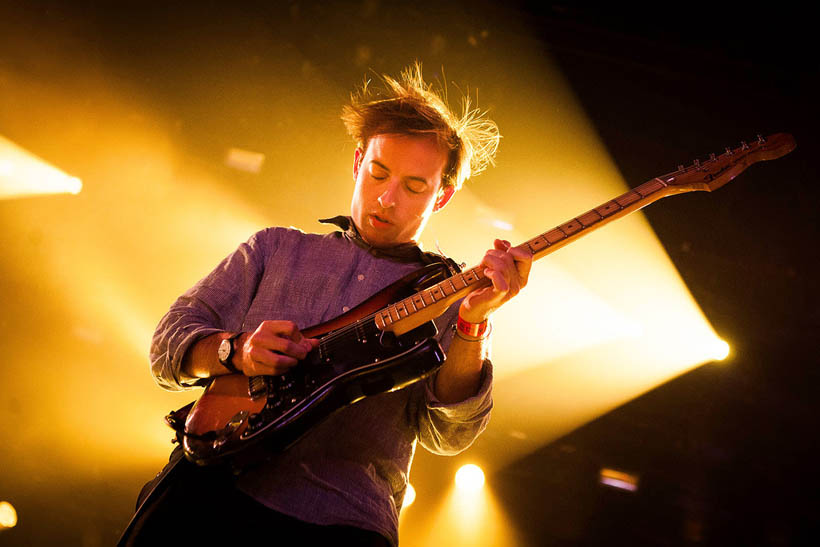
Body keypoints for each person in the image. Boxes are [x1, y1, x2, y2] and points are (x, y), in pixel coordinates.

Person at [122, 64, 531, 546]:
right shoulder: (275, 248)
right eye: (378, 172)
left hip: (341, 523)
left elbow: (450, 435)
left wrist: (472, 324)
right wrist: (235, 351)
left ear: (442, 195)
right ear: (358, 162)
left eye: (414, 187)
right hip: (206, 493)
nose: (386, 196)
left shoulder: (448, 294)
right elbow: (167, 344)